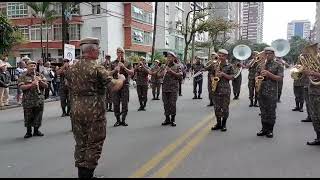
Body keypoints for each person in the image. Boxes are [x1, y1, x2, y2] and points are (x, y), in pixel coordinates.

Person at [66, 37, 125, 178]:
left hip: (76, 110)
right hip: (93, 112)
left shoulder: (72, 67)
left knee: (81, 143)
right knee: (94, 144)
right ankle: (87, 175)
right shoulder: (96, 67)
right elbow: (114, 86)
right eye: (98, 49)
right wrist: (122, 79)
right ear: (92, 50)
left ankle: (83, 174)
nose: (99, 51)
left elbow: (71, 85)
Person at [256, 47, 284, 138]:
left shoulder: (278, 65)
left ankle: (270, 130)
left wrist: (269, 74)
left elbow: (280, 78)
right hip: (261, 91)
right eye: (266, 54)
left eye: (269, 54)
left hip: (271, 92)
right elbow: (256, 76)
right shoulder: (260, 65)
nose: (267, 55)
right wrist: (257, 78)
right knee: (263, 111)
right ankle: (264, 129)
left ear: (273, 54)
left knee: (271, 112)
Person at [18, 60, 48, 138]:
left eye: (34, 66)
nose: (33, 68)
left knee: (38, 115)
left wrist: (40, 81)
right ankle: (28, 132)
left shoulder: (40, 75)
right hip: (28, 100)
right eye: (31, 66)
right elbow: (21, 87)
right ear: (27, 67)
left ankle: (36, 130)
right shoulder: (23, 76)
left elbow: (46, 86)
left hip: (39, 99)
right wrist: (31, 85)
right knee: (28, 116)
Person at [210, 49, 235, 131]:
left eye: (222, 56)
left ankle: (224, 124)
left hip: (225, 90)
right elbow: (211, 74)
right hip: (216, 89)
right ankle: (218, 123)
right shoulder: (215, 65)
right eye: (219, 55)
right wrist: (213, 78)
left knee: (225, 108)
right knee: (217, 107)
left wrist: (223, 74)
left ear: (226, 56)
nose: (220, 57)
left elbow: (232, 77)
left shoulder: (229, 66)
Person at [109, 47, 134, 127]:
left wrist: (124, 67)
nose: (120, 54)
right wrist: (114, 70)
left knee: (124, 103)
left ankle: (123, 120)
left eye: (122, 52)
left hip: (125, 85)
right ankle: (118, 120)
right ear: (116, 53)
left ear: (124, 53)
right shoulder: (112, 63)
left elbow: (131, 73)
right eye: (118, 52)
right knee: (116, 103)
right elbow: (108, 73)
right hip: (116, 85)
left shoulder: (128, 62)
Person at [161, 51, 183, 126]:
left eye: (170, 57)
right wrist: (162, 72)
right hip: (165, 88)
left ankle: (173, 119)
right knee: (165, 104)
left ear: (174, 58)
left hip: (173, 88)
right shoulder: (164, 66)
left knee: (172, 104)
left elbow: (180, 75)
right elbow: (158, 75)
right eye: (168, 57)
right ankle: (167, 119)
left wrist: (171, 71)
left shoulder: (177, 66)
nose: (169, 58)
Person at [303, 62, 320, 145]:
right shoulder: (312, 62)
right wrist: (306, 72)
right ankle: (318, 138)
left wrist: (313, 73)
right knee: (315, 117)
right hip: (312, 92)